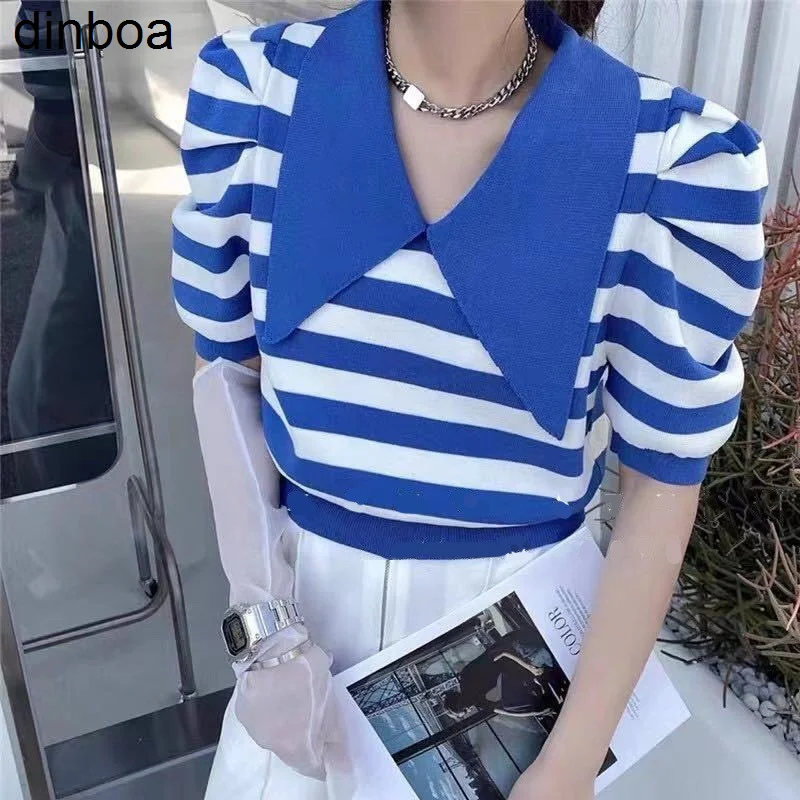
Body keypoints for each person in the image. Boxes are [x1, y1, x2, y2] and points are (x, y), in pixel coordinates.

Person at [171, 1, 768, 798]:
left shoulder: (666, 163)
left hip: (515, 705)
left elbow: (661, 487)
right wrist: (260, 632)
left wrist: (570, 762)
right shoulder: (258, 97)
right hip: (299, 652)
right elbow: (225, 382)